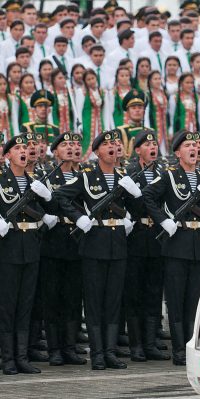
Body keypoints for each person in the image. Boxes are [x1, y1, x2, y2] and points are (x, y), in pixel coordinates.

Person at [55, 130, 144, 371]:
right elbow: (60, 196)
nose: (113, 148)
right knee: (94, 302)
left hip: (118, 244)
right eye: (107, 145)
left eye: (116, 144)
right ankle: (97, 354)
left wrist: (135, 196)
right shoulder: (87, 176)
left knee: (113, 301)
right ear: (97, 152)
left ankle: (110, 352)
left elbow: (139, 208)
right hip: (94, 243)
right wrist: (78, 217)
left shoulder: (123, 176)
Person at [143, 131, 200, 366]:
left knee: (195, 299)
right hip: (177, 244)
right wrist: (163, 220)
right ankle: (179, 349)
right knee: (177, 300)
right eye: (188, 146)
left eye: (196, 146)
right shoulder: (168, 176)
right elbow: (147, 197)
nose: (194, 149)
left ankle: (192, 346)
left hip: (199, 244)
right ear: (177, 152)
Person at [0, 134, 56, 375]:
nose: (23, 151)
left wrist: (47, 196)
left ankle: (21, 357)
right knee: (7, 305)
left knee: (25, 304)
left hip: (31, 248)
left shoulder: (35, 182)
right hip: (9, 247)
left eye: (25, 148)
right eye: (18, 148)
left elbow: (52, 212)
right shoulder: (2, 181)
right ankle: (8, 358)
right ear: (7, 155)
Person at [38, 133, 87, 367]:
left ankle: (69, 347)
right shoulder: (46, 177)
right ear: (54, 152)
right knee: (53, 297)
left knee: (73, 298)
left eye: (73, 145)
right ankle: (55, 348)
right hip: (54, 241)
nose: (70, 149)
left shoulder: (84, 176)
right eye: (64, 145)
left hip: (77, 241)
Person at [124, 131, 170, 363]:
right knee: (135, 292)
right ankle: (136, 345)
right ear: (138, 150)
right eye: (147, 145)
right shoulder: (130, 173)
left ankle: (151, 343)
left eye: (155, 144)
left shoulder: (163, 173)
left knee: (153, 291)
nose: (153, 147)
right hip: (138, 235)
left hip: (157, 236)